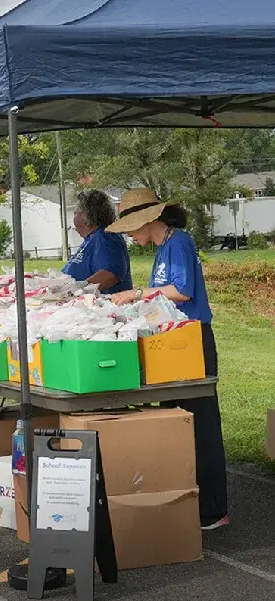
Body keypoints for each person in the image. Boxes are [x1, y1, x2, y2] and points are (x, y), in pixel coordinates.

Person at [106, 188, 229, 531]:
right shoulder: (164, 248)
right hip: (172, 341)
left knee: (198, 423)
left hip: (190, 342)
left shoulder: (179, 242)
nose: (130, 235)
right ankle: (185, 498)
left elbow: (181, 291)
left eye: (131, 228)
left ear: (148, 221)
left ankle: (213, 508)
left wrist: (136, 294)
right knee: (174, 422)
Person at [64, 189, 134, 294]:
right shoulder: (92, 238)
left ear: (86, 215)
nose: (73, 219)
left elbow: (109, 274)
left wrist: (75, 292)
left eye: (75, 213)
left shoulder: (106, 237)